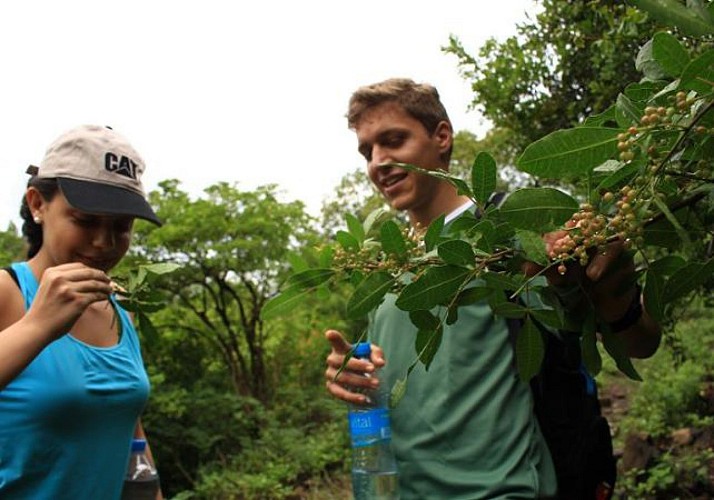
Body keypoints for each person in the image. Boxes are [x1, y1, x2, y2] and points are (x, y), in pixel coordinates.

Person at [324, 78, 662, 498]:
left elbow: (640, 341)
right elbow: (392, 382)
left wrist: (616, 292)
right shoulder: (387, 270)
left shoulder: (515, 232)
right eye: (367, 151)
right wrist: (354, 376)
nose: (379, 161)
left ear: (441, 136)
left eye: (394, 140)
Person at [0, 125, 164, 499]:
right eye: (85, 221)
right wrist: (39, 325)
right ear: (38, 204)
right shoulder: (8, 293)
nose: (103, 243)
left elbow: (128, 429)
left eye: (121, 227)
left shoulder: (120, 310)